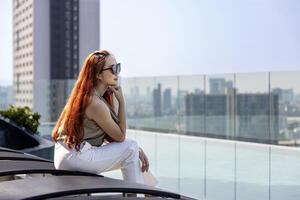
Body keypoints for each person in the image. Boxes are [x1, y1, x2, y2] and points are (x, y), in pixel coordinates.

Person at [51, 50, 152, 190]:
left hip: (67, 155)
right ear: (98, 75)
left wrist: (137, 150)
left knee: (132, 150)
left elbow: (111, 136)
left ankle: (146, 191)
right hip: (75, 157)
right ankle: (142, 193)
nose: (117, 73)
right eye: (112, 69)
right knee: (131, 147)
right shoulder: (95, 103)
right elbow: (121, 136)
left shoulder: (88, 96)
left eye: (118, 67)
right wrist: (122, 102)